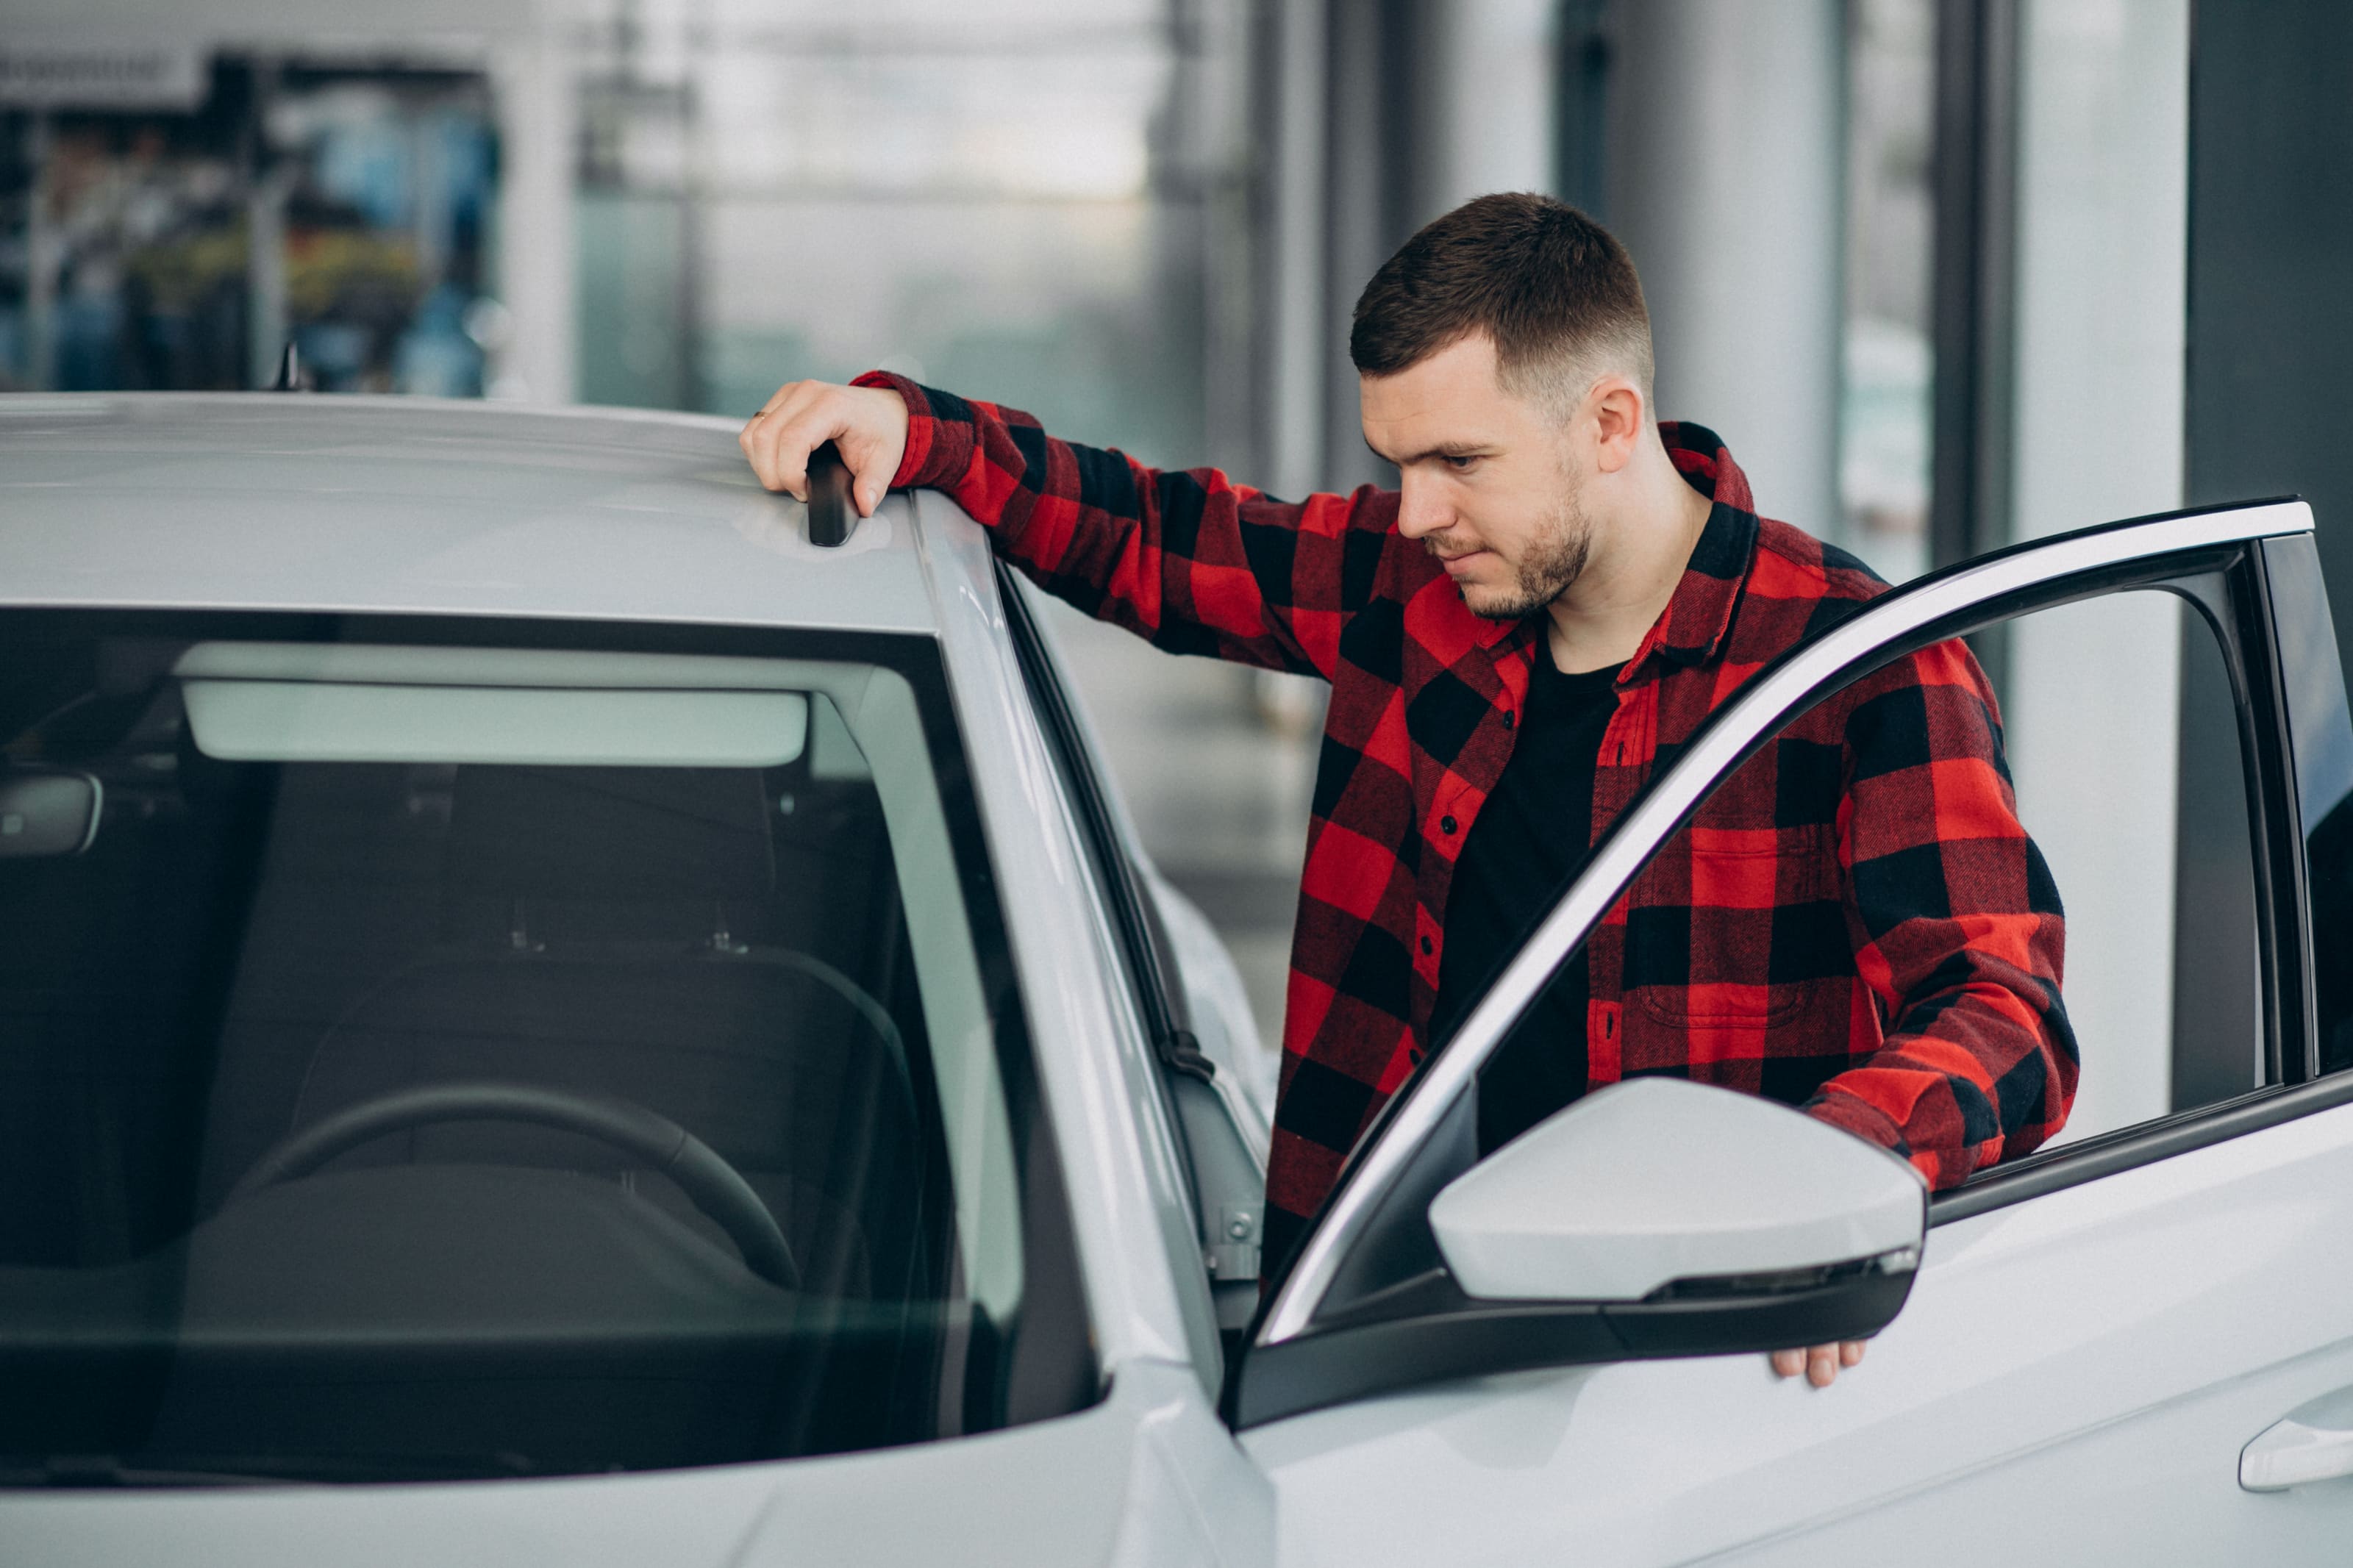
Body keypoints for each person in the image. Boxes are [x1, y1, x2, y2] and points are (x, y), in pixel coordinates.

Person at [740, 193, 2077, 1389]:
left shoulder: (1851, 666)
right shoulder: (1412, 588)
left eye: (1459, 462)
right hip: (1385, 1341)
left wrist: (1829, 1174)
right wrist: (920, 430)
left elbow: (2006, 1009)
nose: (1417, 509)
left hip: (1687, 1372)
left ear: (1611, 423)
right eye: (1398, 463)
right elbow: (1156, 534)